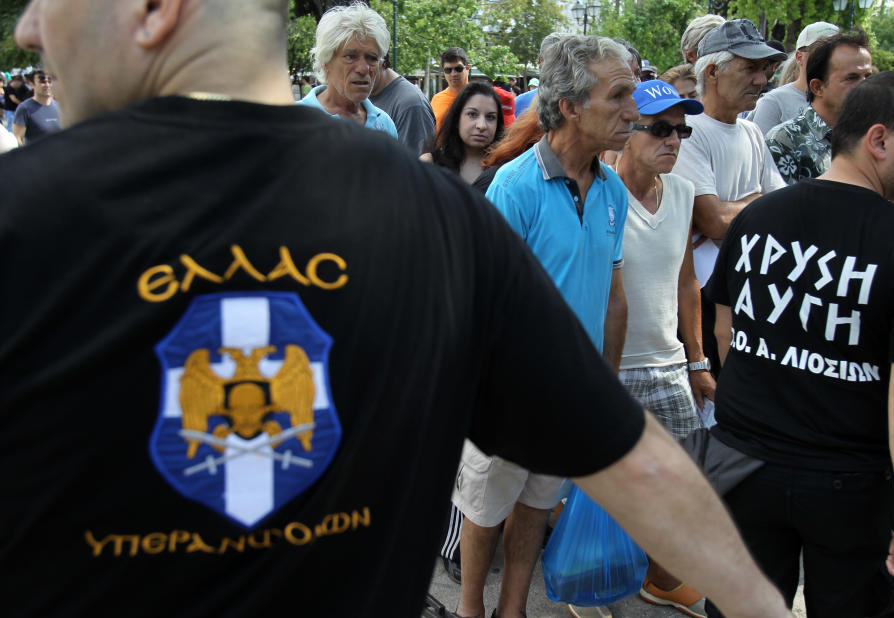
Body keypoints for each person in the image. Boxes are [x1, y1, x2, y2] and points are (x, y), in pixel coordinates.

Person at [1, 1, 796, 617]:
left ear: (153, 10)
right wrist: (762, 605)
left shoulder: (21, 218)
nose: (31, 28)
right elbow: (636, 460)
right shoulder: (437, 212)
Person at [703, 70, 894, 617]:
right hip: (846, 481)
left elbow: (726, 330)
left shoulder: (758, 217)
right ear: (879, 139)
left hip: (743, 460)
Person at [453, 35, 637, 618]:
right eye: (621, 95)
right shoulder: (516, 187)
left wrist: (603, 386)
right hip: (509, 398)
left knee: (536, 509)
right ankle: (469, 609)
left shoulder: (612, 191)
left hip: (572, 395)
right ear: (572, 106)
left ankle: (514, 610)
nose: (634, 112)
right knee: (485, 510)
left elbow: (612, 296)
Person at [614, 79, 713, 618]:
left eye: (682, 130)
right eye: (660, 129)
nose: (673, 140)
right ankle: (592, 581)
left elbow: (686, 283)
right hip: (611, 368)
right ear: (628, 130)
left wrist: (697, 361)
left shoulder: (681, 192)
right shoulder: (598, 189)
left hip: (669, 364)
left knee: (679, 485)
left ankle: (662, 577)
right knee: (597, 491)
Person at [670, 18, 786, 376]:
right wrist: (756, 201)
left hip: (748, 287)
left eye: (764, 69)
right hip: (702, 296)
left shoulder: (752, 131)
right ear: (713, 71)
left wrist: (740, 208)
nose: (761, 80)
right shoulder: (689, 132)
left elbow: (783, 209)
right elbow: (712, 220)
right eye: (750, 68)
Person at [765, 30, 872, 185]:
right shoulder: (784, 140)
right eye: (852, 78)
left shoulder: (871, 138)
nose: (865, 86)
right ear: (817, 87)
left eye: (867, 77)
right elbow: (783, 206)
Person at [298, 2, 397, 137]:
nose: (363, 69)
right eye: (350, 57)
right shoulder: (293, 122)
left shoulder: (384, 125)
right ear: (326, 62)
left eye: (372, 58)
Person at [747, 21, 839, 135]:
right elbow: (760, 149)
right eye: (821, 52)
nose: (831, 59)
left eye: (838, 52)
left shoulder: (845, 101)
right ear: (799, 57)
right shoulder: (774, 102)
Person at [421, 81, 504, 186]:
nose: (481, 125)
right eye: (472, 114)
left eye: (490, 117)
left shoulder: (507, 170)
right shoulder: (431, 164)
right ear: (456, 118)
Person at [370, 52, 436, 154]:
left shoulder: (411, 105)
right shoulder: (362, 98)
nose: (360, 68)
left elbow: (417, 165)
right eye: (350, 58)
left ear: (382, 60)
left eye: (370, 58)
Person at [513, 34, 566, 119]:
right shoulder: (520, 103)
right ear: (542, 61)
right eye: (557, 60)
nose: (562, 67)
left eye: (566, 61)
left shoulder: (579, 105)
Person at [11, 68, 60, 145]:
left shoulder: (59, 106)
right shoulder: (24, 109)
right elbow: (17, 139)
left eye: (49, 81)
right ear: (32, 84)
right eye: (42, 81)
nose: (47, 85)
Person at [431, 47, 471, 129]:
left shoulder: (478, 97)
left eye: (458, 69)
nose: (453, 74)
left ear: (467, 68)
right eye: (448, 70)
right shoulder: (437, 99)